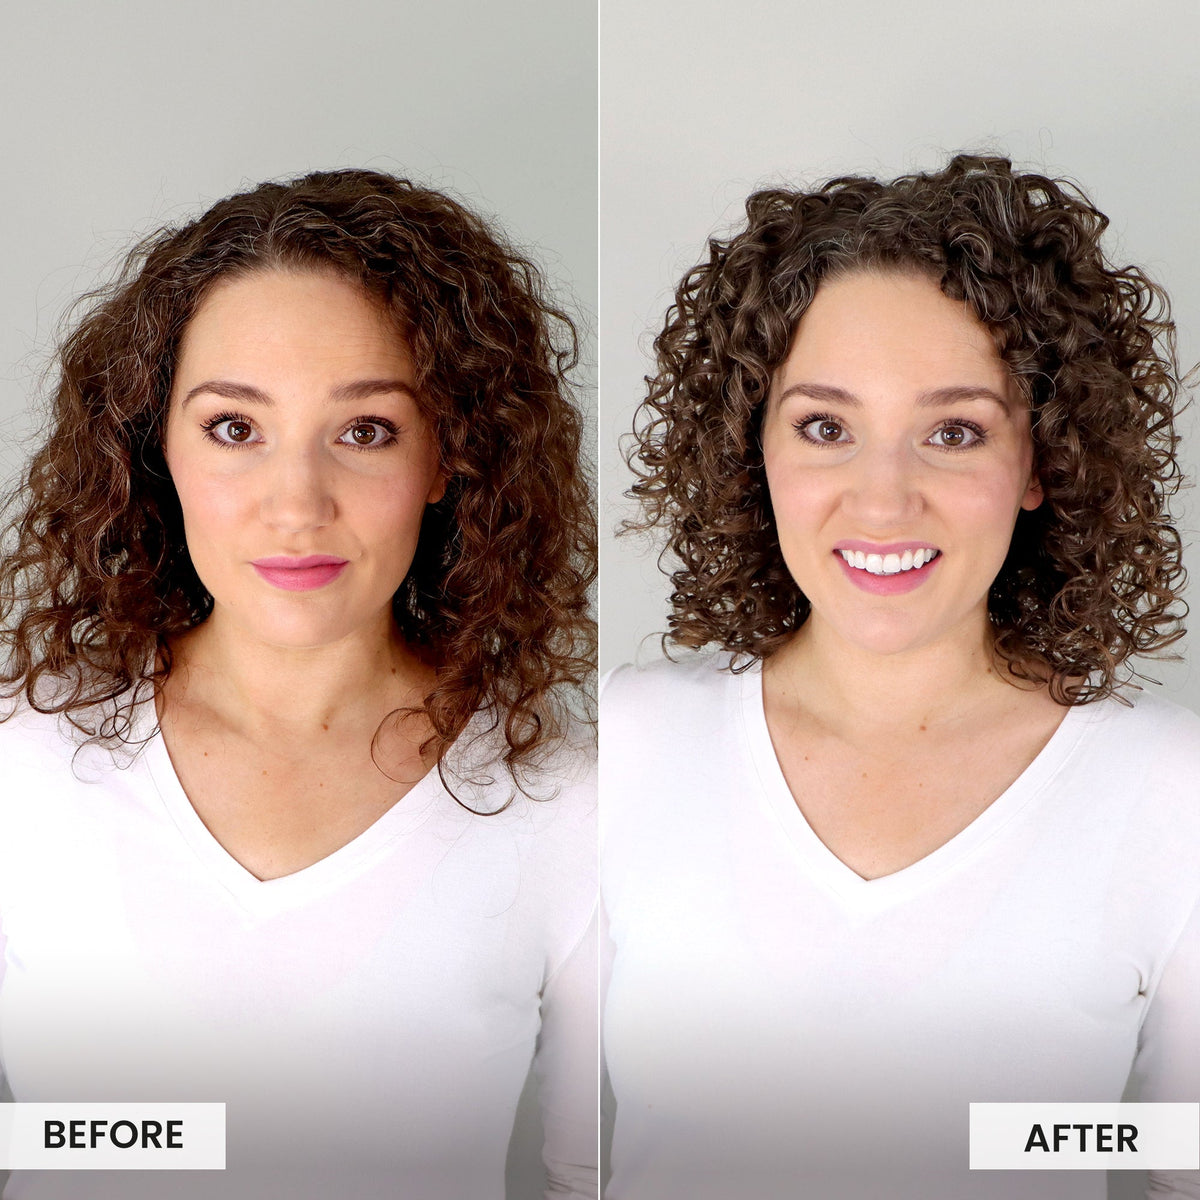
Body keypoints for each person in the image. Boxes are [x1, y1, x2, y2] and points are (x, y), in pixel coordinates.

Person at [601, 155, 1200, 1200]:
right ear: (755, 449)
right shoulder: (632, 747)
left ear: (1042, 462)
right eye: (826, 427)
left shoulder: (1166, 789)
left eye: (953, 432)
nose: (884, 502)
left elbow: (1173, 1152)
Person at [0, 169, 597, 1200]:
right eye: (235, 428)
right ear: (158, 445)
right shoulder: (22, 758)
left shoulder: (572, 807)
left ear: (449, 456)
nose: (296, 503)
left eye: (365, 431)